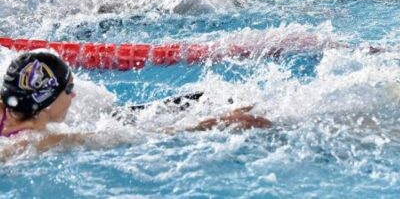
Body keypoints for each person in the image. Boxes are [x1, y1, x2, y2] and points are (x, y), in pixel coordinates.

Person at [0, 51, 270, 156]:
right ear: (45, 101)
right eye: (68, 89)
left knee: (117, 114)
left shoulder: (11, 109)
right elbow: (127, 137)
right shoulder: (31, 143)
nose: (74, 96)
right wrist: (214, 124)